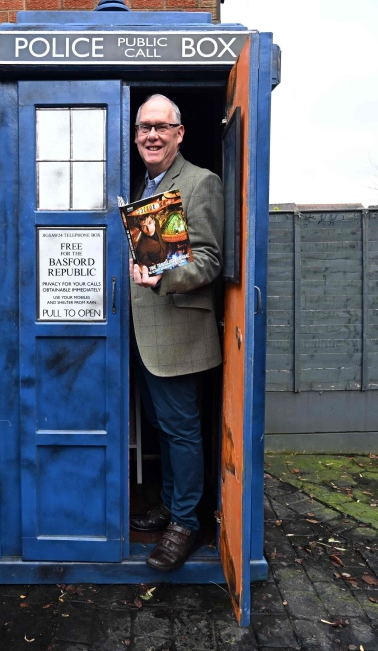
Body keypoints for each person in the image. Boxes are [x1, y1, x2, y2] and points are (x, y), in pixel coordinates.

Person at [128, 94, 223, 572]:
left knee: (182, 432)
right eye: (145, 126)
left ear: (179, 133)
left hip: (179, 332)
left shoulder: (200, 183)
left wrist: (164, 278)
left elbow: (209, 260)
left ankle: (185, 523)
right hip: (143, 332)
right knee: (163, 427)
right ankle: (169, 503)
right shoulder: (140, 186)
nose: (151, 135)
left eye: (161, 127)